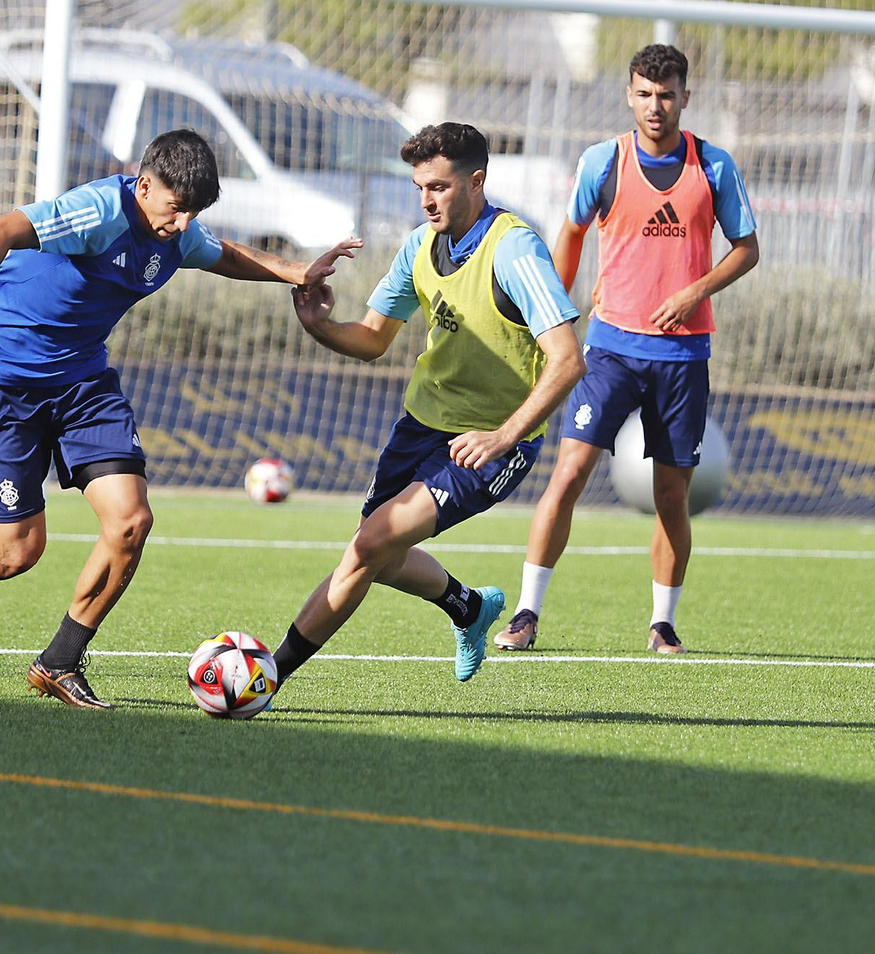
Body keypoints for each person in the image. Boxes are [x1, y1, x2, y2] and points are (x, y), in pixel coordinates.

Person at [0, 128, 357, 708]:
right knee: (18, 552)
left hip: (83, 381)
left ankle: (60, 661)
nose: (184, 224)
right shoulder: (99, 212)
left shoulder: (177, 231)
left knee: (131, 522)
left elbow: (224, 254)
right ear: (144, 185)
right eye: (176, 208)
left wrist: (298, 272)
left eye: (194, 213)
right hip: (6, 378)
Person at [270, 121, 585, 690]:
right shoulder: (420, 244)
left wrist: (504, 436)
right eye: (420, 187)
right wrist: (319, 325)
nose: (426, 200)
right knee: (378, 553)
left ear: (476, 182)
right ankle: (468, 607)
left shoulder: (514, 248)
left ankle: (267, 677)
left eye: (438, 186)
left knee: (369, 546)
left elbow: (567, 360)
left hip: (488, 443)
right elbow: (373, 338)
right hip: (421, 425)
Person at [495, 44, 759, 656]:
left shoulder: (713, 165)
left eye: (666, 94)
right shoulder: (602, 161)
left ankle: (663, 623)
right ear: (629, 96)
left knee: (671, 495)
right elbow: (570, 234)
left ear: (685, 97)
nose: (655, 105)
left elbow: (747, 249)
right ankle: (527, 613)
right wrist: (552, 316)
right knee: (568, 474)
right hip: (609, 350)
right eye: (644, 93)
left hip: (683, 358)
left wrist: (695, 291)